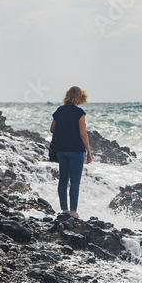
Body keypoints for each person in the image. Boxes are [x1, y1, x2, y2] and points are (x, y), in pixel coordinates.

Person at [50, 86, 93, 216]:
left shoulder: (59, 111)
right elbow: (83, 134)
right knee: (75, 182)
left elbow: (52, 129)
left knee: (63, 180)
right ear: (79, 97)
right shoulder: (79, 113)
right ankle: (73, 212)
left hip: (61, 150)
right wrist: (89, 151)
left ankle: (64, 210)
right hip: (76, 151)